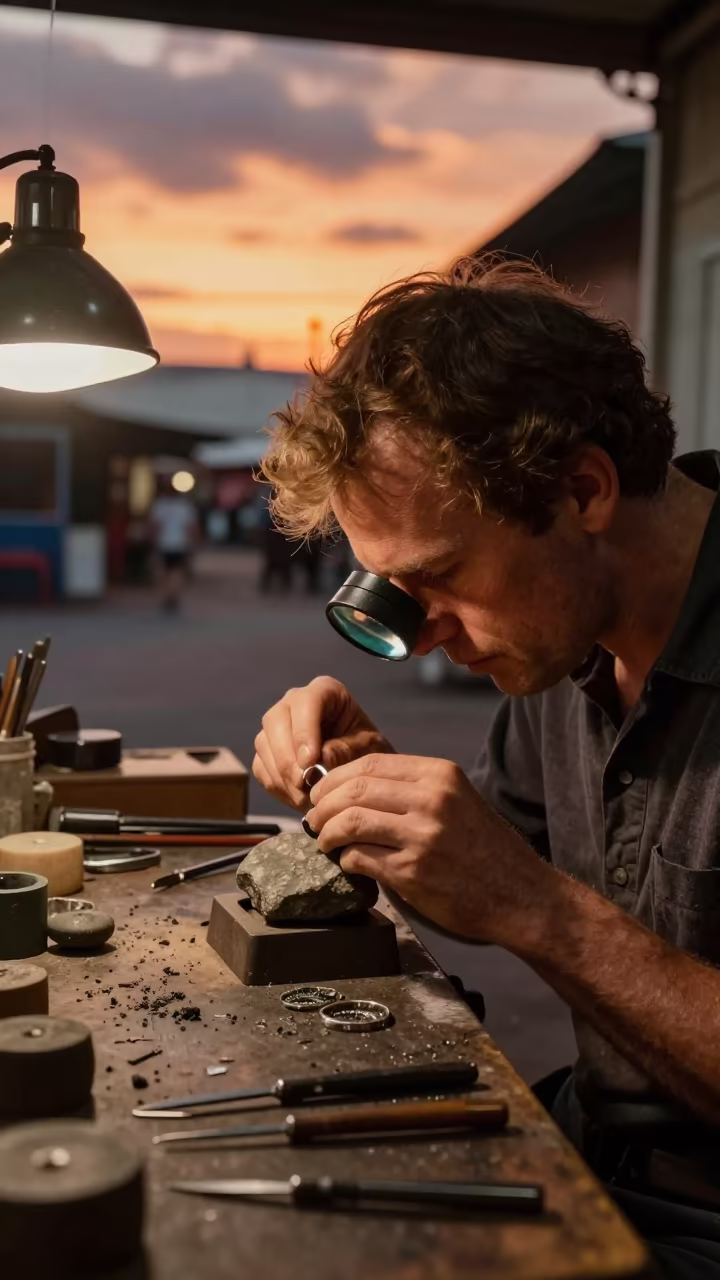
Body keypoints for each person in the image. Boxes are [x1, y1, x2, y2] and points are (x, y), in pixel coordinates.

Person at [252, 256, 720, 1279]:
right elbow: (493, 860)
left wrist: (537, 909)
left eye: (438, 579)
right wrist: (372, 789)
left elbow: (522, 892)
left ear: (582, 488)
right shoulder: (558, 638)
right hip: (589, 1147)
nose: (422, 641)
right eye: (392, 595)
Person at [150, 475, 199, 612]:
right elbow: (191, 527)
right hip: (180, 543)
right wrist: (194, 543)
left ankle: (167, 595)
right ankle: (174, 595)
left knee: (165, 571)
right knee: (176, 571)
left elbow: (155, 527)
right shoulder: (185, 507)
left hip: (164, 543)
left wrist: (152, 543)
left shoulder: (160, 506)